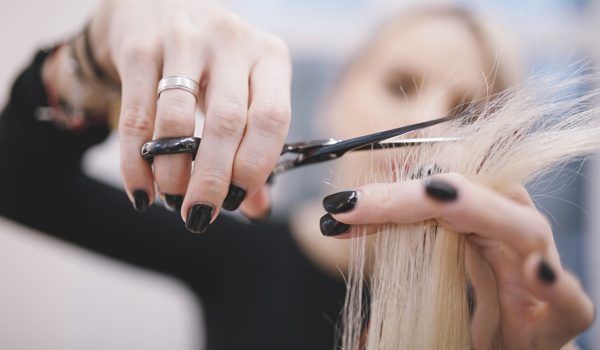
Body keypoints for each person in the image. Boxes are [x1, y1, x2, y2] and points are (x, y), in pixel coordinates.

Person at [0, 1, 592, 349]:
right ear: (335, 98)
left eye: (467, 113)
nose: (419, 120)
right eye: (399, 85)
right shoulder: (239, 253)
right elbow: (17, 180)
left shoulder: (509, 322)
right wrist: (97, 45)